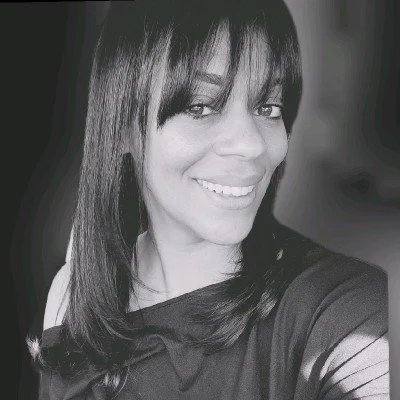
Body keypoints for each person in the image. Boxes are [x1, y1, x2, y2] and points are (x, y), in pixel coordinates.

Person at [27, 0, 389, 399]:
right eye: (200, 107)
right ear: (124, 127)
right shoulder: (71, 299)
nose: (252, 145)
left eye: (268, 107)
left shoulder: (346, 312)